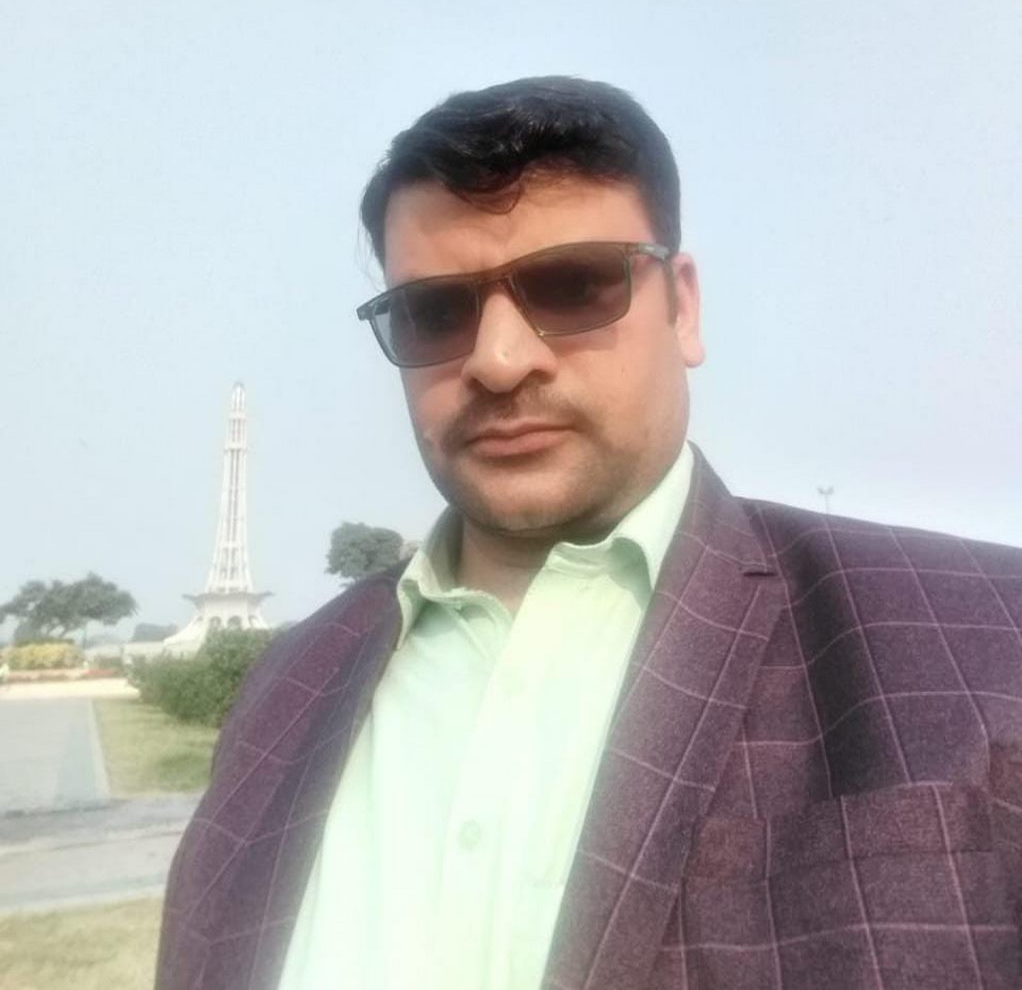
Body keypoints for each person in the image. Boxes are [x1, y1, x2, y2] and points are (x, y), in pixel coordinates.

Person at [156, 77, 1022, 990]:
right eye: (434, 312)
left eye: (573, 285)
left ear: (683, 307)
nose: (498, 361)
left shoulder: (979, 638)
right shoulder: (287, 690)